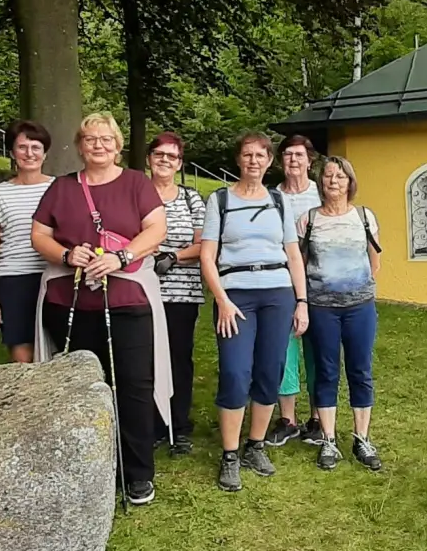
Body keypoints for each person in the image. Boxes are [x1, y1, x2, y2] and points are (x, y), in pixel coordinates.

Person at [30, 113, 169, 507]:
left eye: (106, 139)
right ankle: (84, 468)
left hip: (127, 302)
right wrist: (66, 254)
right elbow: (39, 234)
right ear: (80, 145)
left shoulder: (136, 183)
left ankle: (136, 473)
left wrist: (121, 257)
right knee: (78, 389)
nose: (99, 145)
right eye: (90, 139)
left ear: (118, 145)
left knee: (133, 387)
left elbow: (156, 229)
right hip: (70, 302)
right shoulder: (62, 187)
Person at [201, 132, 308, 492]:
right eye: (247, 155)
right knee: (235, 372)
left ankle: (255, 446)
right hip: (235, 296)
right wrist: (222, 299)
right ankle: (230, 454)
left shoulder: (280, 201)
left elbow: (293, 255)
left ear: (269, 161)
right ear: (238, 159)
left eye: (260, 156)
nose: (253, 161)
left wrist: (302, 301)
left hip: (278, 294)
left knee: (270, 370)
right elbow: (207, 256)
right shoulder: (220, 200)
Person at [295, 156, 383, 471]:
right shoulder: (308, 220)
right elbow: (299, 263)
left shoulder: (364, 217)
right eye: (329, 175)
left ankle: (362, 438)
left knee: (360, 370)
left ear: (350, 182)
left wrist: (358, 288)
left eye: (340, 176)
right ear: (321, 181)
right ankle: (329, 440)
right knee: (326, 371)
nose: (334, 181)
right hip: (322, 309)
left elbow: (374, 260)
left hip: (360, 308)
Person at [146, 131, 206, 456]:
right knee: (145, 359)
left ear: (180, 163)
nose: (165, 160)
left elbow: (203, 244)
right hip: (143, 290)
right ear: (149, 159)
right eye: (159, 154)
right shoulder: (136, 193)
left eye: (172, 156)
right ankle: (153, 424)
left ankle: (179, 425)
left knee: (178, 359)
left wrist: (173, 256)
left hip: (182, 293)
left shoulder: (191, 198)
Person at [268, 133, 321, 447]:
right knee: (284, 349)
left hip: (320, 282)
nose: (293, 160)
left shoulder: (321, 193)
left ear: (309, 160)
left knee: (318, 349)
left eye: (299, 155)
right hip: (282, 283)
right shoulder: (271, 196)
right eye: (287, 154)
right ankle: (287, 419)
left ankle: (317, 417)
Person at [0, 120, 55, 364]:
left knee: (58, 347)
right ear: (11, 152)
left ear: (45, 153)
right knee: (22, 351)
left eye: (36, 147)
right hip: (13, 278)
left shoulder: (60, 188)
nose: (29, 153)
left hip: (53, 275)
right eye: (22, 147)